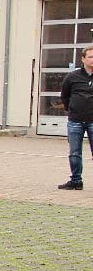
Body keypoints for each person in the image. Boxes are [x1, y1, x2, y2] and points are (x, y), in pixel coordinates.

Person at [58, 45, 93, 190]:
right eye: (90, 57)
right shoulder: (73, 77)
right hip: (75, 121)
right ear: (83, 59)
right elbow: (64, 96)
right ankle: (76, 180)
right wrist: (70, 109)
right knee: (74, 153)